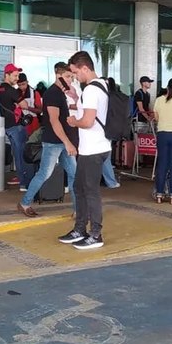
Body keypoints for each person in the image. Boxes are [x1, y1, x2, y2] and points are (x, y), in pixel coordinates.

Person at [60, 51, 110, 250]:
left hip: (93, 149)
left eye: (75, 73)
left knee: (90, 192)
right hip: (96, 147)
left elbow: (88, 121)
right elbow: (90, 110)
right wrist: (75, 98)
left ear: (85, 68)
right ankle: (80, 229)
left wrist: (73, 122)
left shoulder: (90, 90)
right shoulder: (102, 85)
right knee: (79, 188)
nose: (74, 77)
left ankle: (95, 234)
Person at [19, 62, 78, 217]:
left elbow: (62, 113)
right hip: (54, 142)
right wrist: (67, 142)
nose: (70, 80)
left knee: (74, 174)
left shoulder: (60, 94)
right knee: (45, 173)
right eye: (67, 76)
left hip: (63, 141)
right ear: (58, 75)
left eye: (71, 77)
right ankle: (25, 202)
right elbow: (54, 120)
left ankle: (78, 210)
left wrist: (75, 101)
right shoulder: (52, 93)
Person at [0, 63, 34, 191]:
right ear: (7, 75)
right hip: (17, 126)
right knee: (23, 154)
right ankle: (25, 183)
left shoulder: (0, 89)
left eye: (17, 75)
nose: (17, 78)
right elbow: (24, 104)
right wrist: (19, 105)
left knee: (17, 154)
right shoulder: (11, 90)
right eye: (15, 75)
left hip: (7, 126)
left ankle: (22, 181)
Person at [17, 73, 43, 137]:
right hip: (20, 123)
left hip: (34, 123)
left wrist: (27, 107)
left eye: (23, 84)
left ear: (27, 82)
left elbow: (40, 110)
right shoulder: (15, 93)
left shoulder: (35, 93)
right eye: (19, 85)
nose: (21, 87)